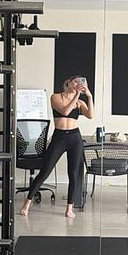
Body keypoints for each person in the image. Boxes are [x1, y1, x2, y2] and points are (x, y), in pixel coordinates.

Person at [19, 76, 94, 219]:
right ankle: (27, 204)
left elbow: (91, 115)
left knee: (73, 173)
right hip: (59, 137)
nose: (78, 84)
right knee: (45, 171)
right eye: (75, 81)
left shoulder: (79, 102)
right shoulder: (56, 97)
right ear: (68, 82)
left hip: (74, 138)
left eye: (80, 82)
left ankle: (69, 208)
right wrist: (77, 94)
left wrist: (89, 97)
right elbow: (65, 111)